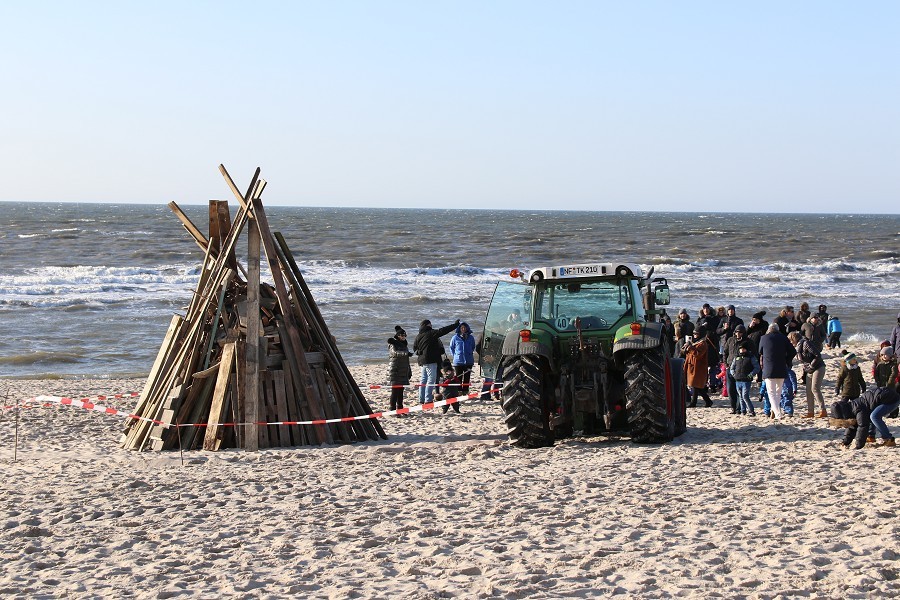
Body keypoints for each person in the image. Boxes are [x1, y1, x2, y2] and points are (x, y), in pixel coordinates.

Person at [831, 386, 900, 449]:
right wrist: (845, 442)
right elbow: (852, 426)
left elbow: (862, 427)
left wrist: (858, 446)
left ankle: (889, 439)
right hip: (882, 396)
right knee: (870, 414)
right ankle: (871, 437)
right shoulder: (852, 407)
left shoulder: (858, 410)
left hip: (892, 399)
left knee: (874, 416)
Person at [414, 318, 460, 405]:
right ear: (427, 325)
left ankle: (421, 399)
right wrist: (455, 325)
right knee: (431, 380)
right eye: (430, 324)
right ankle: (428, 400)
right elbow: (443, 330)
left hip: (422, 361)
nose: (431, 326)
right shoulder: (431, 333)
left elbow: (415, 349)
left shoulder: (418, 336)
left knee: (423, 380)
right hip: (431, 360)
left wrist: (421, 352)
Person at [790, 331, 827, 418]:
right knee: (808, 391)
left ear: (794, 339)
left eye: (791, 341)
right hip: (808, 369)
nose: (791, 343)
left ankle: (823, 410)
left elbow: (817, 355)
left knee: (815, 389)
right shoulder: (798, 348)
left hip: (818, 367)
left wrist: (811, 366)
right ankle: (810, 412)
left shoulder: (806, 343)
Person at [758, 323, 791, 419]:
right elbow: (792, 351)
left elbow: (760, 351)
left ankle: (777, 413)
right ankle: (776, 411)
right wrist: (787, 360)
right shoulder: (783, 338)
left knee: (771, 392)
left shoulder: (764, 338)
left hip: (769, 368)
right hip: (781, 368)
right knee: (778, 392)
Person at [722, 324, 751, 413]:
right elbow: (725, 352)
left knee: (740, 390)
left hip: (741, 369)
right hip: (730, 367)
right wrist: (725, 363)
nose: (738, 334)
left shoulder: (748, 341)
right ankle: (733, 407)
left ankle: (739, 408)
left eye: (740, 332)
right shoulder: (730, 340)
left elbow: (753, 354)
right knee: (730, 389)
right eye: (737, 332)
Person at [684, 329, 715, 407]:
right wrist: (686, 347)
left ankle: (696, 402)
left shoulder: (703, 344)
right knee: (696, 385)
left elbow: (698, 354)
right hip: (692, 366)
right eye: (694, 333)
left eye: (696, 334)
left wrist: (691, 348)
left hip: (698, 367)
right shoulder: (695, 343)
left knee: (696, 384)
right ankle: (704, 401)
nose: (694, 335)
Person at [387, 326, 413, 412]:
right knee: (395, 391)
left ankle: (400, 409)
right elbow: (394, 353)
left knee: (401, 392)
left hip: (403, 371)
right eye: (402, 335)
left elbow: (407, 360)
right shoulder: (393, 344)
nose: (403, 337)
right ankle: (392, 409)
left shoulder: (405, 345)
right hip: (395, 370)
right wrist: (405, 353)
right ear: (398, 336)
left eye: (404, 335)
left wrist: (409, 370)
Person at [729, 344, 760, 416]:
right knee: (740, 396)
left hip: (746, 380)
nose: (742, 350)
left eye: (743, 349)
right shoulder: (736, 357)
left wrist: (751, 375)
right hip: (738, 380)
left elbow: (757, 368)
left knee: (745, 396)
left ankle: (751, 410)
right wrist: (734, 374)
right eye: (741, 349)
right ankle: (743, 411)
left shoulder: (751, 357)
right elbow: (732, 368)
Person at [449, 322, 476, 400]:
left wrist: (469, 352)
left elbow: (473, 346)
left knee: (467, 377)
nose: (463, 329)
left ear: (467, 328)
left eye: (465, 327)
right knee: (458, 377)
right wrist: (455, 355)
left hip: (468, 361)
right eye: (462, 328)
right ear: (459, 329)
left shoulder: (471, 337)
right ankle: (459, 391)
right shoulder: (455, 337)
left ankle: (465, 391)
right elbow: (451, 347)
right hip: (458, 361)